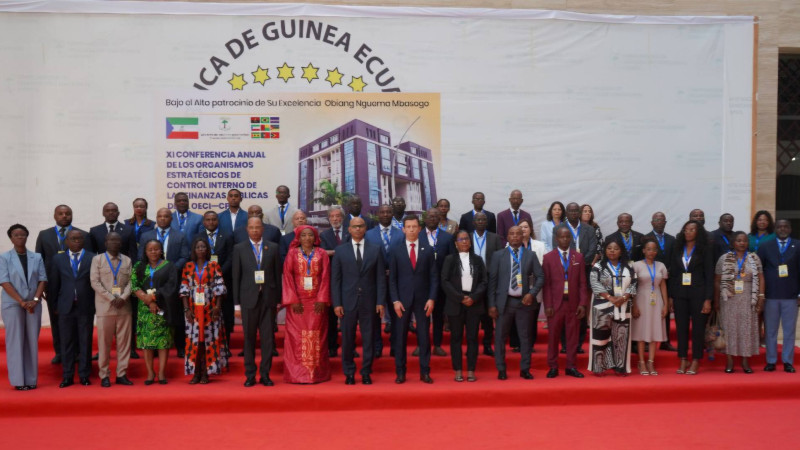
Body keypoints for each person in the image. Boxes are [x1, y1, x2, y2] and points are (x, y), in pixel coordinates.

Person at [331, 217, 386, 385]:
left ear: (365, 229)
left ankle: (366, 371)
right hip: (347, 302)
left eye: (361, 226)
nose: (357, 229)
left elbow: (380, 278)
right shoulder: (340, 251)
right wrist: (337, 303)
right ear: (349, 229)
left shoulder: (375, 249)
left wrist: (380, 301)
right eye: (354, 226)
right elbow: (336, 280)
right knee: (347, 338)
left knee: (368, 338)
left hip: (369, 301)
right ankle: (349, 372)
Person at [35, 204, 89, 364]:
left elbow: (89, 260)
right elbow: (39, 260)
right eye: (61, 213)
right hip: (53, 285)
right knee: (56, 318)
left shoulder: (83, 235)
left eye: (68, 213)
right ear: (54, 215)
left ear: (72, 215)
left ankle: (79, 352)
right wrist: (41, 284)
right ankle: (60, 352)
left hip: (78, 285)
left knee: (79, 318)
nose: (64, 216)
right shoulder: (44, 235)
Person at [488, 226, 543, 380]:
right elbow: (492, 282)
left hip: (524, 304)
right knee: (500, 337)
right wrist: (491, 305)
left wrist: (531, 294)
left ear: (523, 236)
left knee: (525, 337)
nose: (515, 236)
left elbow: (540, 277)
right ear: (507, 237)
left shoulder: (530, 255)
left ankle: (525, 369)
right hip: (503, 303)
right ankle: (501, 369)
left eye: (518, 234)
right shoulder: (498, 255)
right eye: (511, 233)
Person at [232, 218, 282, 387]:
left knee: (268, 339)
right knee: (249, 339)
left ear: (263, 229)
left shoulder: (273, 247)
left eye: (257, 227)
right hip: (248, 300)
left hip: (268, 300)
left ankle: (265, 374)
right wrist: (236, 304)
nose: (254, 230)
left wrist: (278, 300)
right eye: (251, 228)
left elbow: (277, 275)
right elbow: (236, 278)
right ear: (247, 229)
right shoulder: (239, 248)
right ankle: (250, 374)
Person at [389, 215, 438, 384]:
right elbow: (392, 279)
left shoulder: (428, 249)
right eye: (408, 226)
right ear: (403, 229)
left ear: (419, 229)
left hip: (423, 300)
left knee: (424, 337)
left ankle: (425, 371)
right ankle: (400, 372)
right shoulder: (395, 249)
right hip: (401, 301)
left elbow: (434, 277)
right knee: (400, 337)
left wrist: (432, 298)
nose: (411, 229)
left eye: (414, 226)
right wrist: (395, 300)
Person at [282, 225, 332, 384]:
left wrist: (322, 299)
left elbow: (326, 277)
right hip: (298, 303)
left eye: (310, 235)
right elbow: (288, 277)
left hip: (317, 302)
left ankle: (316, 373)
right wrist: (292, 300)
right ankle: (297, 374)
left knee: (316, 336)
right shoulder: (292, 254)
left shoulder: (322, 254)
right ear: (298, 238)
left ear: (315, 237)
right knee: (297, 337)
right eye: (303, 235)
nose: (307, 238)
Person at [0, 224, 47, 390]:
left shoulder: (37, 257)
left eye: (23, 235)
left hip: (33, 304)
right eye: (16, 235)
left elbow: (42, 279)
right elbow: (4, 281)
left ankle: (31, 379)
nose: (20, 237)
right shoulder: (4, 258)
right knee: (15, 341)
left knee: (31, 341)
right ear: (11, 238)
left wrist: (34, 299)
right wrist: (21, 301)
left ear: (27, 237)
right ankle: (19, 381)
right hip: (13, 304)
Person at [140, 207, 190, 358]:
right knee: (154, 313)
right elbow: (141, 258)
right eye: (160, 216)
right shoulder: (145, 236)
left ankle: (180, 346)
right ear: (156, 217)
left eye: (166, 216)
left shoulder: (180, 235)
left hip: (172, 280)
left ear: (171, 219)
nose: (162, 219)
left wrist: (170, 269)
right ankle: (154, 346)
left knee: (175, 312)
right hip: (151, 279)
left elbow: (184, 256)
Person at [180, 237, 228, 384]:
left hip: (210, 308)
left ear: (207, 250)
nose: (201, 249)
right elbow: (184, 289)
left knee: (208, 340)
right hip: (193, 309)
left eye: (203, 247)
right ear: (194, 250)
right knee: (195, 341)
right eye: (198, 247)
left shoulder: (214, 266)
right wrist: (187, 309)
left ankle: (206, 372)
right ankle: (196, 372)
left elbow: (220, 288)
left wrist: (217, 307)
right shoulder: (188, 266)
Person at [714, 231, 764, 373]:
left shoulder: (754, 258)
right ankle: (729, 360)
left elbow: (761, 278)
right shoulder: (724, 258)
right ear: (733, 243)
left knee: (746, 329)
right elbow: (717, 280)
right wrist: (716, 301)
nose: (742, 243)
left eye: (744, 241)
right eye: (739, 240)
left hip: (748, 298)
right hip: (729, 299)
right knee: (730, 329)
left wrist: (761, 297)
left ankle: (745, 361)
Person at [668, 220, 713, 375]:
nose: (688, 232)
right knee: (681, 328)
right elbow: (673, 273)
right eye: (686, 229)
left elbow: (709, 276)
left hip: (699, 295)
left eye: (692, 229)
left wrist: (708, 299)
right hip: (680, 294)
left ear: (698, 232)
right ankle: (683, 358)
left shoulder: (705, 250)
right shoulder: (678, 248)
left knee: (698, 329)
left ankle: (695, 360)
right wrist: (671, 297)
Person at [89, 232, 134, 387]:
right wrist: (111, 297)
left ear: (121, 243)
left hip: (124, 307)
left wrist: (123, 297)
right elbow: (94, 282)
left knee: (124, 343)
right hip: (105, 307)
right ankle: (104, 375)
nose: (114, 242)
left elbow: (131, 282)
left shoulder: (127, 260)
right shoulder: (97, 259)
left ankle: (121, 374)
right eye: (111, 240)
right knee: (104, 343)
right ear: (105, 242)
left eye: (117, 240)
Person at [441, 230, 487, 382]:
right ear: (456, 243)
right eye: (461, 239)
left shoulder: (478, 259)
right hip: (456, 303)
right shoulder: (449, 259)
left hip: (474, 303)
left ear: (470, 241)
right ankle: (458, 370)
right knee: (456, 338)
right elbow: (445, 281)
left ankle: (471, 370)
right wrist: (460, 298)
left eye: (466, 238)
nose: (464, 241)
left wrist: (473, 297)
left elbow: (484, 282)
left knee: (473, 338)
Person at [51, 230, 96, 387]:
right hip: (65, 307)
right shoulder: (58, 259)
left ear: (83, 241)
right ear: (67, 241)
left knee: (85, 341)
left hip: (86, 306)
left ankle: (84, 374)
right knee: (67, 343)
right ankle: (67, 375)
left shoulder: (93, 257)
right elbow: (54, 285)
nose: (76, 241)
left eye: (79, 238)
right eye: (73, 239)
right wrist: (54, 306)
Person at [542, 226, 587, 378]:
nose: (565, 240)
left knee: (572, 338)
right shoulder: (548, 258)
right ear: (556, 239)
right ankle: (553, 366)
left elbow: (582, 283)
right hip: (555, 305)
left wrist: (582, 304)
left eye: (568, 237)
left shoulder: (578, 257)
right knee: (553, 337)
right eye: (562, 237)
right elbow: (546, 284)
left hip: (573, 304)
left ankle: (571, 366)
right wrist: (547, 305)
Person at [589, 239, 637, 376]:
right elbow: (594, 283)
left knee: (621, 338)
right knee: (601, 337)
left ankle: (620, 367)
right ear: (605, 250)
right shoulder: (598, 266)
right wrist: (610, 298)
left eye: (615, 248)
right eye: (609, 248)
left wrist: (623, 298)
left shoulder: (629, 267)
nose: (612, 251)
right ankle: (598, 367)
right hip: (602, 307)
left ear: (621, 251)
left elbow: (634, 283)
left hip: (623, 306)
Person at [132, 240, 177, 385]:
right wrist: (148, 300)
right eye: (150, 249)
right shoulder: (139, 266)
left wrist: (154, 298)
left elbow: (171, 286)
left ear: (161, 250)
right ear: (145, 251)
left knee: (163, 342)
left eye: (156, 249)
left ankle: (162, 373)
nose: (153, 252)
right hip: (144, 310)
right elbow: (134, 285)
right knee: (147, 343)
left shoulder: (169, 266)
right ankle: (150, 373)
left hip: (162, 307)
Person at [757, 219, 800, 373]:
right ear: (775, 229)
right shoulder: (765, 246)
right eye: (779, 226)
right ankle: (771, 361)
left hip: (791, 295)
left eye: (786, 226)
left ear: (790, 228)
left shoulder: (798, 245)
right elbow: (759, 271)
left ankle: (788, 361)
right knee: (770, 331)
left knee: (789, 331)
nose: (782, 228)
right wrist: (760, 294)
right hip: (770, 295)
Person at [556, 202, 598, 353]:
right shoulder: (558, 228)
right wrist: (571, 264)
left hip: (584, 272)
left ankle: (578, 344)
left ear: (579, 212)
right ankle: (565, 344)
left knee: (581, 308)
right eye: (570, 211)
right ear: (566, 213)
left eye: (576, 211)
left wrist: (579, 263)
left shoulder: (589, 229)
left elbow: (593, 249)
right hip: (564, 273)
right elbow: (558, 249)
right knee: (563, 310)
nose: (573, 213)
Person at [365, 204, 404, 353]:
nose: (386, 214)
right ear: (378, 215)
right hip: (375, 282)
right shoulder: (369, 234)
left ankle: (395, 347)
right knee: (375, 316)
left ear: (392, 214)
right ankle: (376, 347)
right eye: (383, 212)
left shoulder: (400, 234)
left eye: (388, 212)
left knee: (396, 316)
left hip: (396, 281)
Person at [419, 207, 455, 357]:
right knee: (422, 316)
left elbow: (452, 260)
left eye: (435, 216)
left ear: (439, 219)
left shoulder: (447, 237)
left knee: (439, 315)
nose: (433, 219)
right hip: (421, 282)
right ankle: (422, 345)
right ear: (425, 219)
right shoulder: (417, 236)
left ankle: (438, 345)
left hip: (440, 283)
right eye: (430, 216)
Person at [631, 238, 669, 375]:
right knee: (642, 332)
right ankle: (641, 362)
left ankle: (651, 362)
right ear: (643, 250)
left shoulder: (661, 266)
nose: (651, 252)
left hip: (656, 300)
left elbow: (663, 285)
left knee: (654, 331)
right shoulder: (636, 265)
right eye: (648, 249)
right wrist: (633, 305)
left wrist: (666, 305)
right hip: (641, 299)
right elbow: (632, 287)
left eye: (654, 249)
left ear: (657, 251)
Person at [469, 211, 504, 356]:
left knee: (489, 316)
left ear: (487, 222)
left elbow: (500, 258)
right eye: (478, 220)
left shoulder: (494, 238)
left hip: (490, 280)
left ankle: (487, 345)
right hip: (471, 281)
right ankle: (473, 347)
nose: (481, 222)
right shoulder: (467, 237)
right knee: (472, 316)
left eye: (484, 220)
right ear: (473, 222)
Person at [200, 211, 234, 356]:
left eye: (214, 219)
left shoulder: (227, 235)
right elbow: (195, 257)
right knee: (207, 314)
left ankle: (226, 347)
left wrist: (218, 271)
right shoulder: (198, 237)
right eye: (208, 220)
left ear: (218, 221)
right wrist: (208, 273)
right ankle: (209, 346)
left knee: (225, 314)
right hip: (204, 282)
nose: (211, 222)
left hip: (224, 278)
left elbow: (231, 256)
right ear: (204, 222)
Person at [645, 211, 677, 351]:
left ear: (665, 223)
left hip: (667, 280)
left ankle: (665, 341)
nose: (659, 222)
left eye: (662, 220)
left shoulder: (672, 239)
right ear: (652, 222)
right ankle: (646, 340)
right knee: (648, 310)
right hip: (649, 280)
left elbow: (675, 259)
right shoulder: (646, 238)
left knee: (666, 309)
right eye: (656, 220)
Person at [320, 205, 349, 358]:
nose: (335, 219)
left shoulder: (349, 232)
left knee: (348, 316)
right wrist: (342, 251)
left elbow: (352, 250)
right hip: (331, 279)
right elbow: (323, 253)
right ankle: (332, 346)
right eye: (332, 216)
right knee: (331, 317)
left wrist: (333, 252)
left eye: (338, 216)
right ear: (329, 218)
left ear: (342, 218)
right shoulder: (324, 235)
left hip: (349, 278)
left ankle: (349, 347)